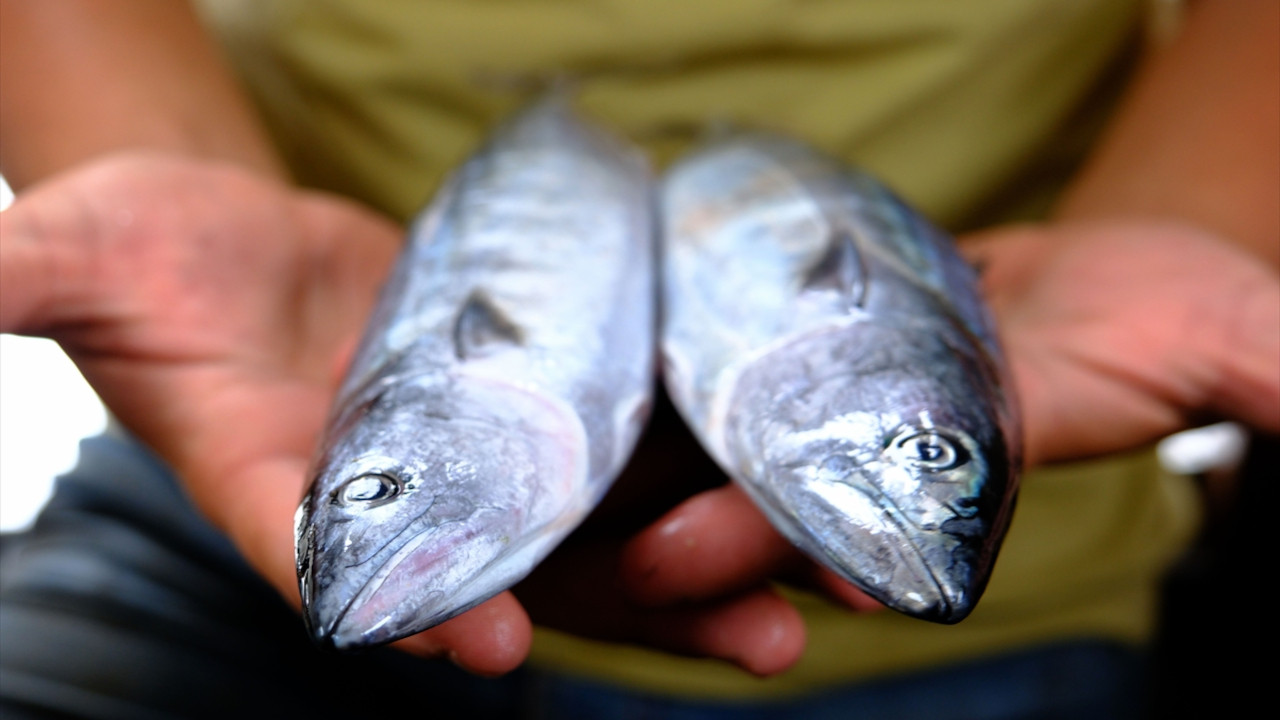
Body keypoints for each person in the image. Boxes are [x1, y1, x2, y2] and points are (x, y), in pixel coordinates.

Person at [0, 0, 1276, 717]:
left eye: (928, 444)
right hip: (238, 481)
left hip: (1008, 610)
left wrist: (1180, 221)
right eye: (924, 445)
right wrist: (150, 156)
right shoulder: (328, 519)